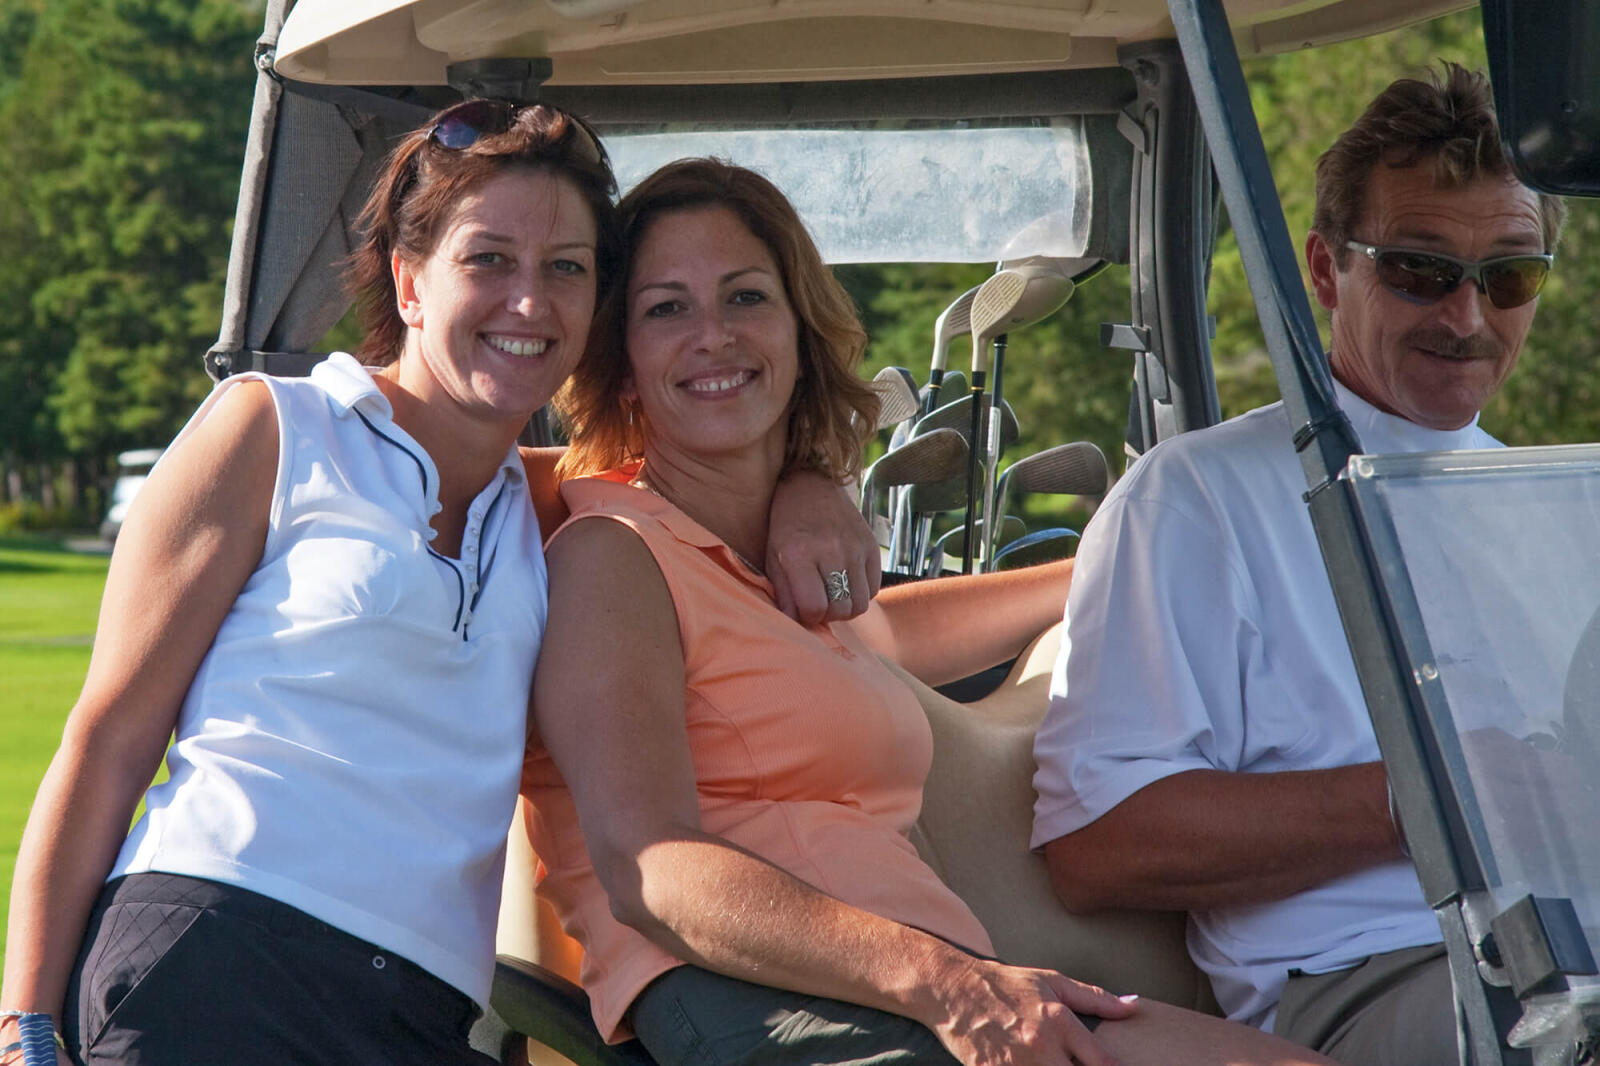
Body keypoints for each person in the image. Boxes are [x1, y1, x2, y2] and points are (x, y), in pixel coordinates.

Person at [0, 102, 873, 1066]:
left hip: (421, 1014)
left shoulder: (553, 507)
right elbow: (109, 742)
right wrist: (25, 1027)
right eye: (489, 260)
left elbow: (708, 474)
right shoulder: (275, 430)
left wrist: (809, 485)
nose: (530, 303)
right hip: (213, 958)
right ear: (410, 283)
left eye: (566, 269)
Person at [525, 156, 1336, 1066]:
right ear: (623, 367)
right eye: (666, 309)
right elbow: (652, 871)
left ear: (801, 336)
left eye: (746, 297)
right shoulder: (611, 556)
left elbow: (893, 631)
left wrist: (1122, 561)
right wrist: (949, 982)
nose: (714, 335)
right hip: (763, 993)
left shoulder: (783, 568)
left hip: (923, 983)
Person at [1030, 64, 1566, 1066]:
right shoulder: (1197, 496)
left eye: (1508, 278)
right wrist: (1436, 796)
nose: (1466, 318)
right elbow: (1097, 844)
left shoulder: (1548, 505)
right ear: (1325, 271)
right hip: (1376, 979)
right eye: (1419, 270)